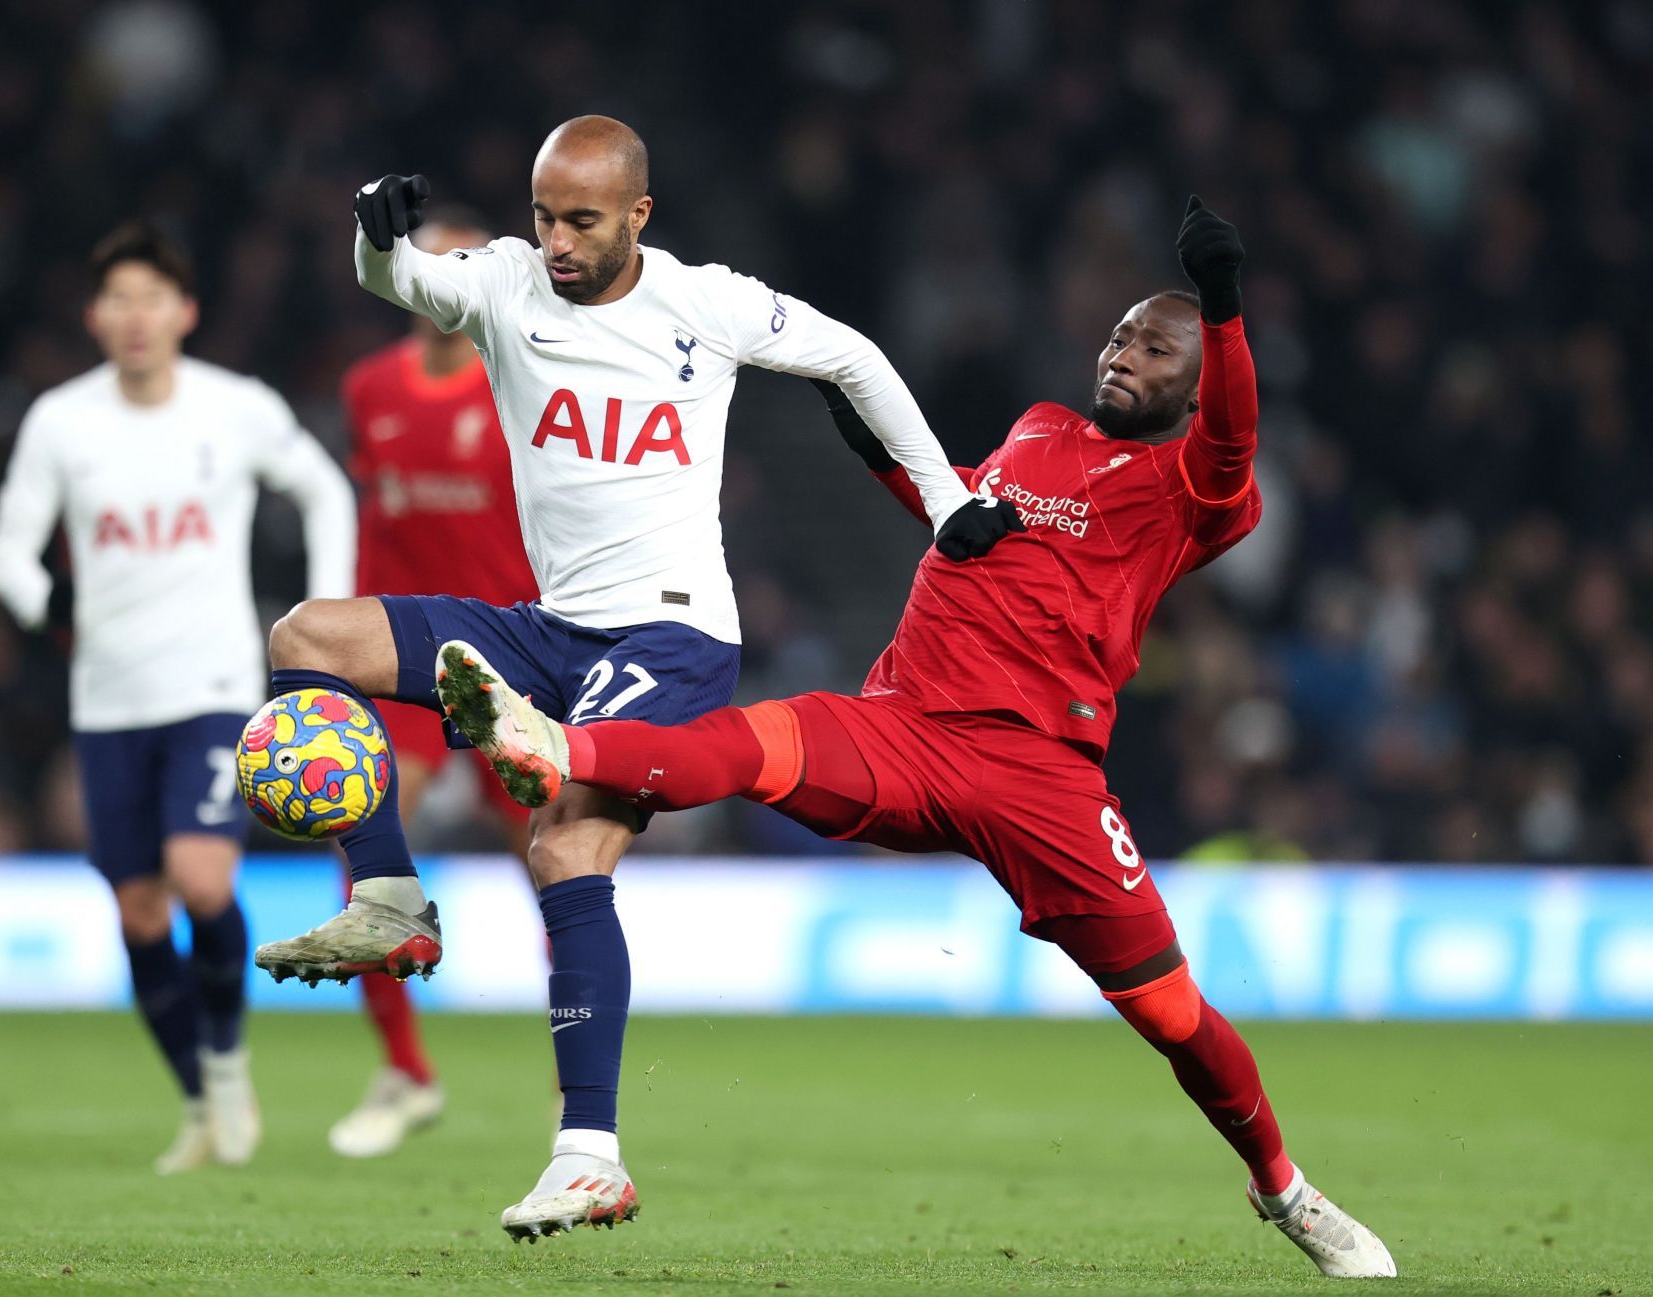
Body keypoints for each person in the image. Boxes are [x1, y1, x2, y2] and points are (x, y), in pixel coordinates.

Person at [433, 199, 1397, 1278]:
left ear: (1190, 384)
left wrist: (1220, 307)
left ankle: (1287, 1190)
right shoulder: (1038, 430)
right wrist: (875, 440)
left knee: (1174, 1015)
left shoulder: (1193, 490)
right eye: (1121, 334)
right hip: (905, 725)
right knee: (750, 740)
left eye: (1154, 346)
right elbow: (957, 512)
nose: (1126, 353)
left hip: (1042, 775)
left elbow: (1233, 434)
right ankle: (558, 749)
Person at [250, 115, 1014, 1238]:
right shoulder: (506, 283)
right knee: (306, 639)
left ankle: (590, 1153)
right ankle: (389, 897)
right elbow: (400, 278)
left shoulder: (705, 302)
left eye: (583, 222)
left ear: (639, 217)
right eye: (546, 215)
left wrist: (948, 500)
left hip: (669, 640)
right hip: (546, 628)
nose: (557, 241)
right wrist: (375, 235)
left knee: (563, 838)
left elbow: (852, 355)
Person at [0, 220, 356, 1174]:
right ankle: (198, 1097)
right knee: (139, 914)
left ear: (185, 312)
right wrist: (48, 603)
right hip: (108, 700)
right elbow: (7, 555)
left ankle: (227, 1067)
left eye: (154, 298)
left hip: (214, 687)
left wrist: (321, 618)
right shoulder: (62, 421)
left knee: (202, 881)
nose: (137, 317)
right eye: (120, 300)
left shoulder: (234, 408)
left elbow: (324, 491)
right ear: (95, 316)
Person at [327, 210, 537, 1159]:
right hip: (406, 654)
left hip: (512, 658)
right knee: (363, 838)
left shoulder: (521, 383)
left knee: (558, 859)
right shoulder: (369, 387)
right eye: (428, 262)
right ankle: (405, 1069)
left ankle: (579, 1077)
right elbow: (370, 515)